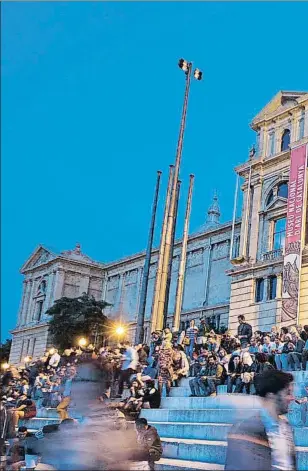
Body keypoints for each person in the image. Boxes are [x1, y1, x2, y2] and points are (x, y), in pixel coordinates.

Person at [225, 370, 296, 470]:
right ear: (272, 396)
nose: (292, 398)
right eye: (288, 393)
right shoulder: (245, 430)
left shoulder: (285, 426)